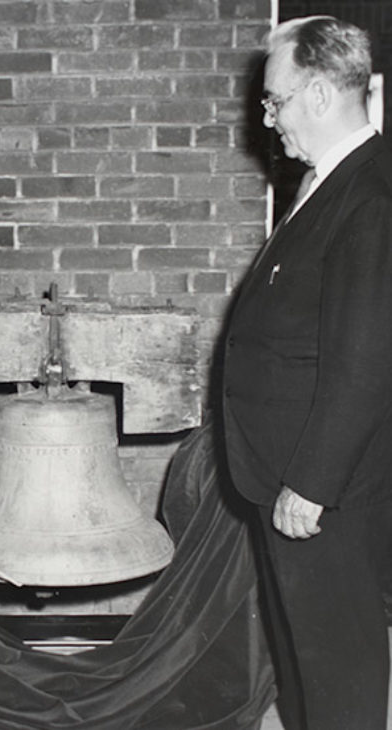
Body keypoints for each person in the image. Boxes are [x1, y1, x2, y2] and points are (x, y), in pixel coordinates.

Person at [222, 15, 392, 730]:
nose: (268, 119)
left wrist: (312, 483)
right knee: (305, 665)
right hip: (286, 474)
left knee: (339, 671)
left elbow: (367, 357)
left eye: (275, 100)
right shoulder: (329, 183)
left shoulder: (371, 195)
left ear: (319, 94)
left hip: (322, 492)